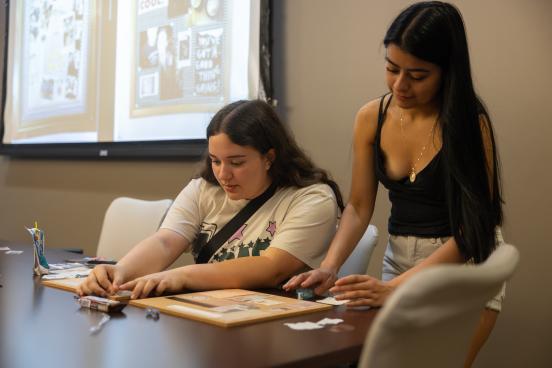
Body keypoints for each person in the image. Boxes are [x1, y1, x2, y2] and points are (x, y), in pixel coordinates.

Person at [283, 2, 504, 366]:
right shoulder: (371, 117)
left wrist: (390, 291)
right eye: (391, 68)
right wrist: (329, 266)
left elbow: (472, 233)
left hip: (465, 264)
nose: (400, 85)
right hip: (401, 257)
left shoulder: (470, 123)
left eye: (417, 75)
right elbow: (357, 207)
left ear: (447, 71)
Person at [77, 100, 343, 300]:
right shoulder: (204, 188)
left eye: (237, 162)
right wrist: (120, 271)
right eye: (215, 161)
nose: (223, 174)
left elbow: (271, 267)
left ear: (269, 158)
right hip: (215, 315)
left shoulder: (312, 198)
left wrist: (180, 276)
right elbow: (166, 241)